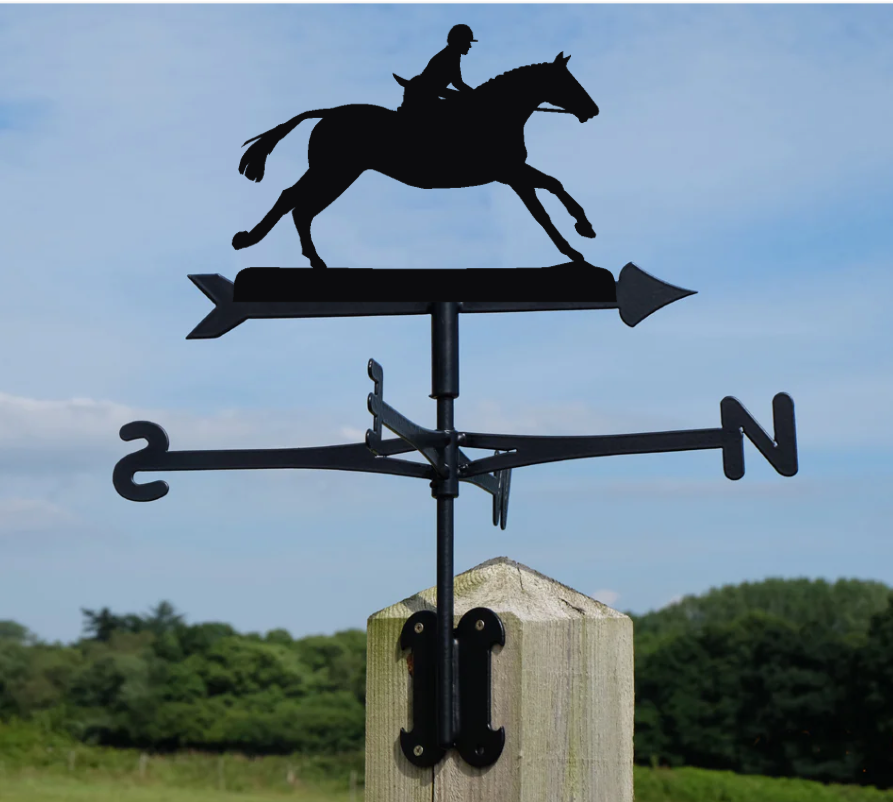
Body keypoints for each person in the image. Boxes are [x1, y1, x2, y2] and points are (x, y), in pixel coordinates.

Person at [398, 25, 478, 115]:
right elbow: (455, 84)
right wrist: (474, 95)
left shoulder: (453, 55)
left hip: (424, 93)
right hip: (419, 95)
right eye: (467, 42)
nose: (470, 46)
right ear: (459, 41)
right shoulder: (449, 57)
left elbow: (456, 83)